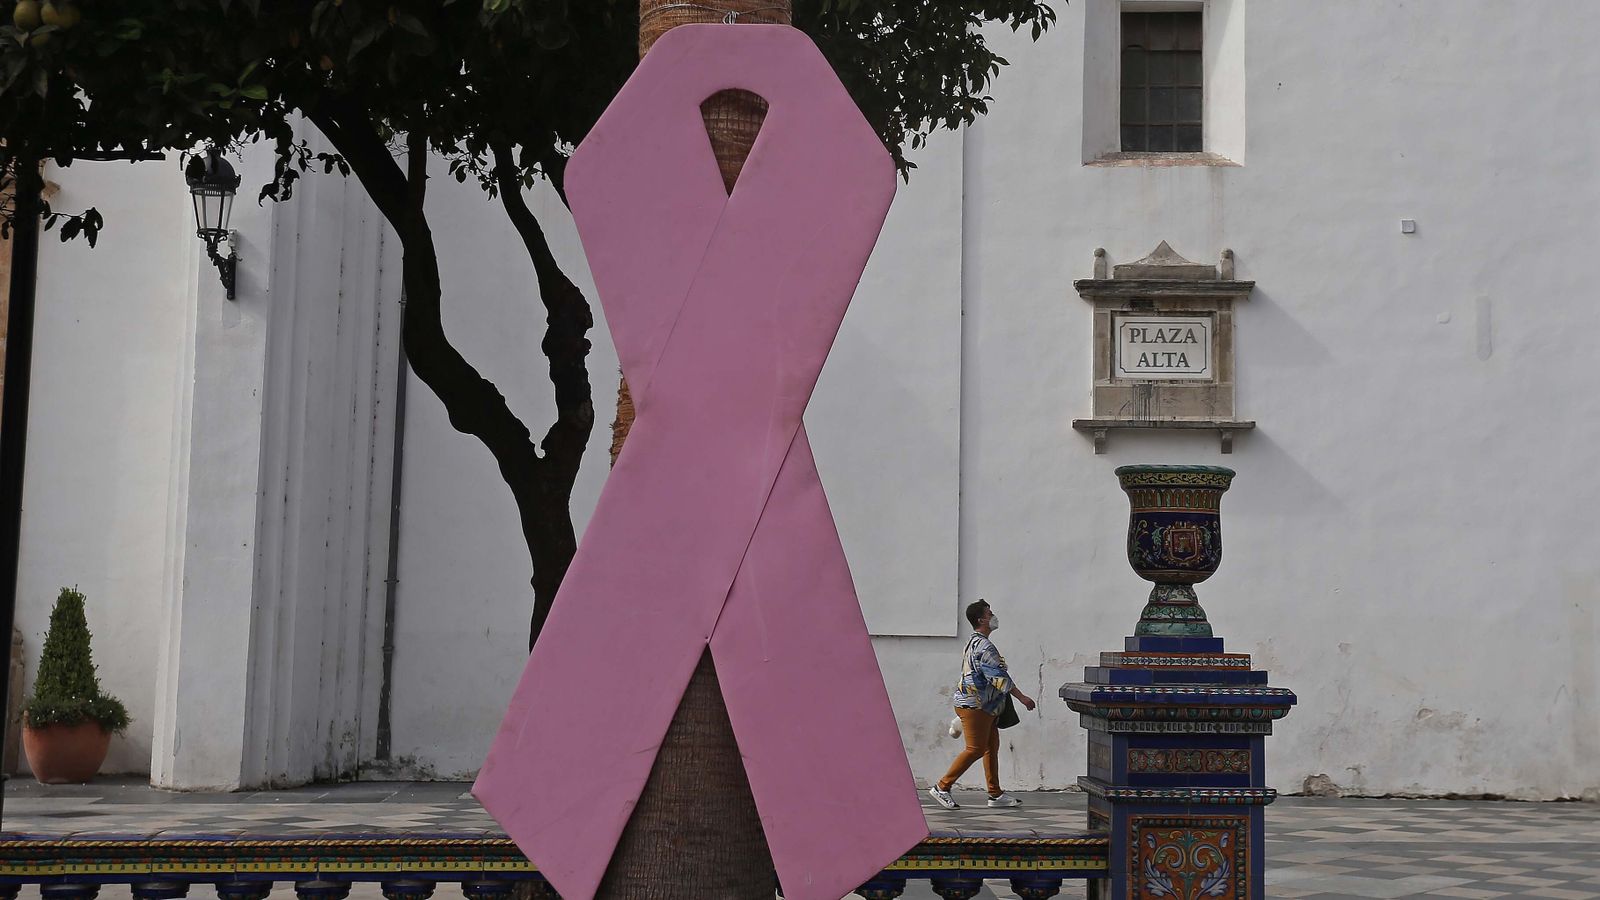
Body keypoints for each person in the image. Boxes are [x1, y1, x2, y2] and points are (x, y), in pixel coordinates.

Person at [929, 599, 1036, 810]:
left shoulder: (974, 642)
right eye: (990, 613)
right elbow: (998, 677)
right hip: (975, 705)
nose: (993, 616)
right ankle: (942, 787)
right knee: (975, 749)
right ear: (981, 619)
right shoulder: (984, 646)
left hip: (982, 705)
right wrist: (1022, 697)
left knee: (990, 748)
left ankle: (995, 794)